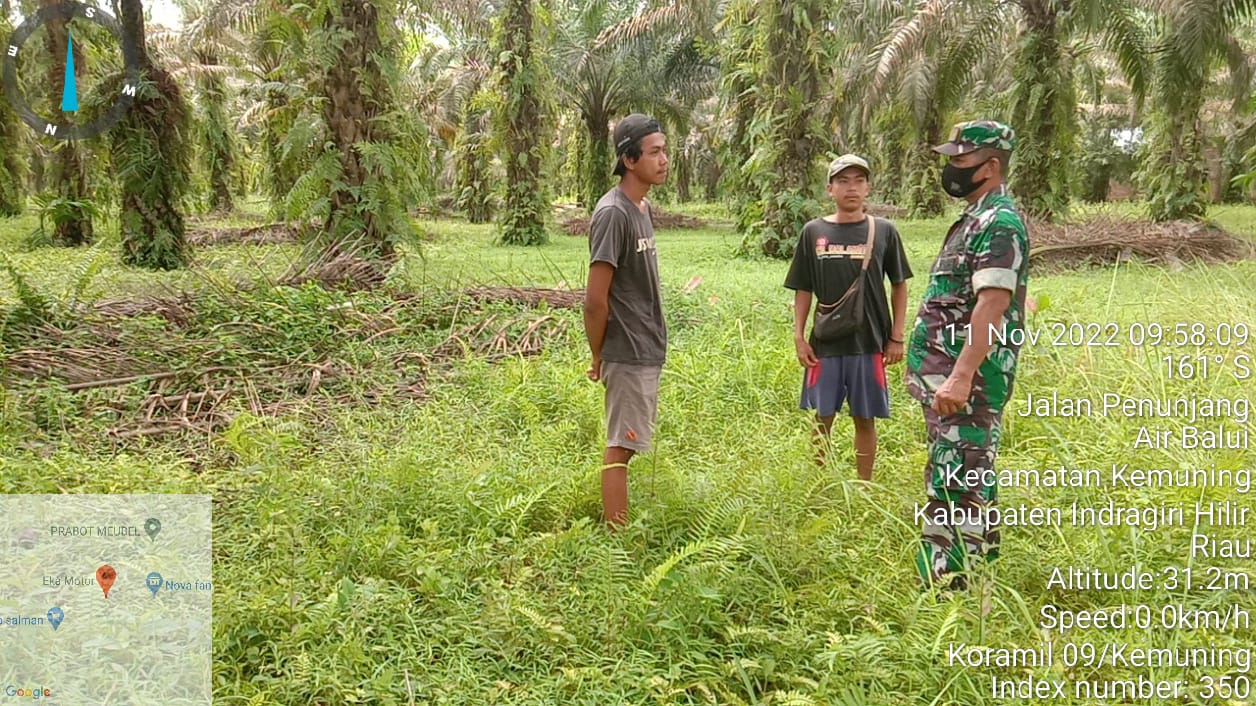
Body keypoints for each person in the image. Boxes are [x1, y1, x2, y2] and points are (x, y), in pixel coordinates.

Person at [905, 121, 1030, 590]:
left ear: (990, 166)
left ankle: (951, 582)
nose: (951, 169)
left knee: (959, 478)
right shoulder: (976, 218)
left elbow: (992, 306)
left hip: (969, 382)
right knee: (959, 472)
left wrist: (959, 378)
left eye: (961, 160)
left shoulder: (1000, 223)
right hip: (947, 376)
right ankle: (967, 571)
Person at [784, 154, 913, 479]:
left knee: (864, 417)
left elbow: (899, 286)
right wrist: (799, 337)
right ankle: (822, 482)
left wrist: (896, 336)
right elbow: (803, 289)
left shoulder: (884, 231)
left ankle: (864, 486)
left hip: (869, 342)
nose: (851, 188)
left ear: (868, 187)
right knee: (822, 415)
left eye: (858, 181)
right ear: (830, 188)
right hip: (824, 343)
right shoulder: (813, 232)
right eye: (843, 181)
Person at [583, 113, 669, 528]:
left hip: (644, 343)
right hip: (626, 347)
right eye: (654, 152)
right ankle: (617, 539)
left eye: (664, 151)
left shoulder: (641, 206)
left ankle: (618, 528)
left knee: (629, 442)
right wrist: (598, 354)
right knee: (622, 445)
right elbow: (595, 299)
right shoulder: (613, 213)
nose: (664, 159)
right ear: (629, 160)